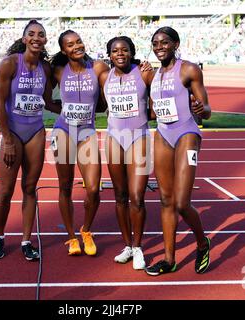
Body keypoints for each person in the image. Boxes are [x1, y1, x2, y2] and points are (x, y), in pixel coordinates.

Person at [0, 20, 60, 261]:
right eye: (31, 34)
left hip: (35, 131)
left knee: (30, 188)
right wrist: (7, 138)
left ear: (45, 40)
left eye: (41, 35)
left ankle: (26, 240)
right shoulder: (9, 64)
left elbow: (49, 102)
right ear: (24, 39)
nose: (36, 38)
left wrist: (75, 109)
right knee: (6, 189)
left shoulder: (46, 68)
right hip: (12, 132)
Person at [145, 26, 212, 276]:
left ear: (175, 44)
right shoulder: (153, 76)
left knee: (182, 203)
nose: (159, 47)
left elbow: (207, 109)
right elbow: (153, 113)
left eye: (164, 42)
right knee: (166, 200)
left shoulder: (189, 69)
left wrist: (200, 109)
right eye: (155, 43)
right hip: (163, 134)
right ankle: (169, 259)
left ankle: (203, 243)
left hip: (187, 134)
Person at [50, 30, 110, 256]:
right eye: (70, 44)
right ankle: (72, 237)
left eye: (79, 42)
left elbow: (108, 98)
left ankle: (86, 230)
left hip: (87, 133)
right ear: (64, 50)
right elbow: (45, 98)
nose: (76, 46)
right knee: (65, 187)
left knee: (94, 189)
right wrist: (62, 110)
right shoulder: (57, 70)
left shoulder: (98, 68)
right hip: (63, 130)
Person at [99, 36, 154, 270]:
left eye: (124, 50)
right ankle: (128, 245)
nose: (119, 53)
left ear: (132, 52)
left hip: (139, 137)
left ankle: (139, 247)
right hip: (113, 138)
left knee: (137, 196)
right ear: (109, 55)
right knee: (120, 196)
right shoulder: (104, 76)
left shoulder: (144, 73)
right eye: (114, 50)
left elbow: (159, 101)